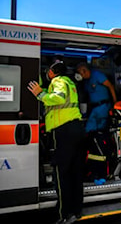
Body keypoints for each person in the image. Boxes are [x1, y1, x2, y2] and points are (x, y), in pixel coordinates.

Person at [28, 60, 85, 224]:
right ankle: (76, 210)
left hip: (63, 131)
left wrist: (40, 95)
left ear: (52, 72)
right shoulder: (69, 82)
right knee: (75, 173)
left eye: (48, 72)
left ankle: (64, 215)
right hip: (75, 129)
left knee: (62, 174)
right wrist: (42, 90)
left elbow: (58, 98)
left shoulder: (58, 81)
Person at [76, 62, 117, 185]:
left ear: (85, 69)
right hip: (94, 110)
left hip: (103, 106)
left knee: (99, 135)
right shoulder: (86, 82)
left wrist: (114, 104)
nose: (80, 74)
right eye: (78, 72)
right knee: (88, 133)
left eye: (81, 71)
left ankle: (100, 168)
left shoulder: (97, 75)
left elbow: (110, 86)